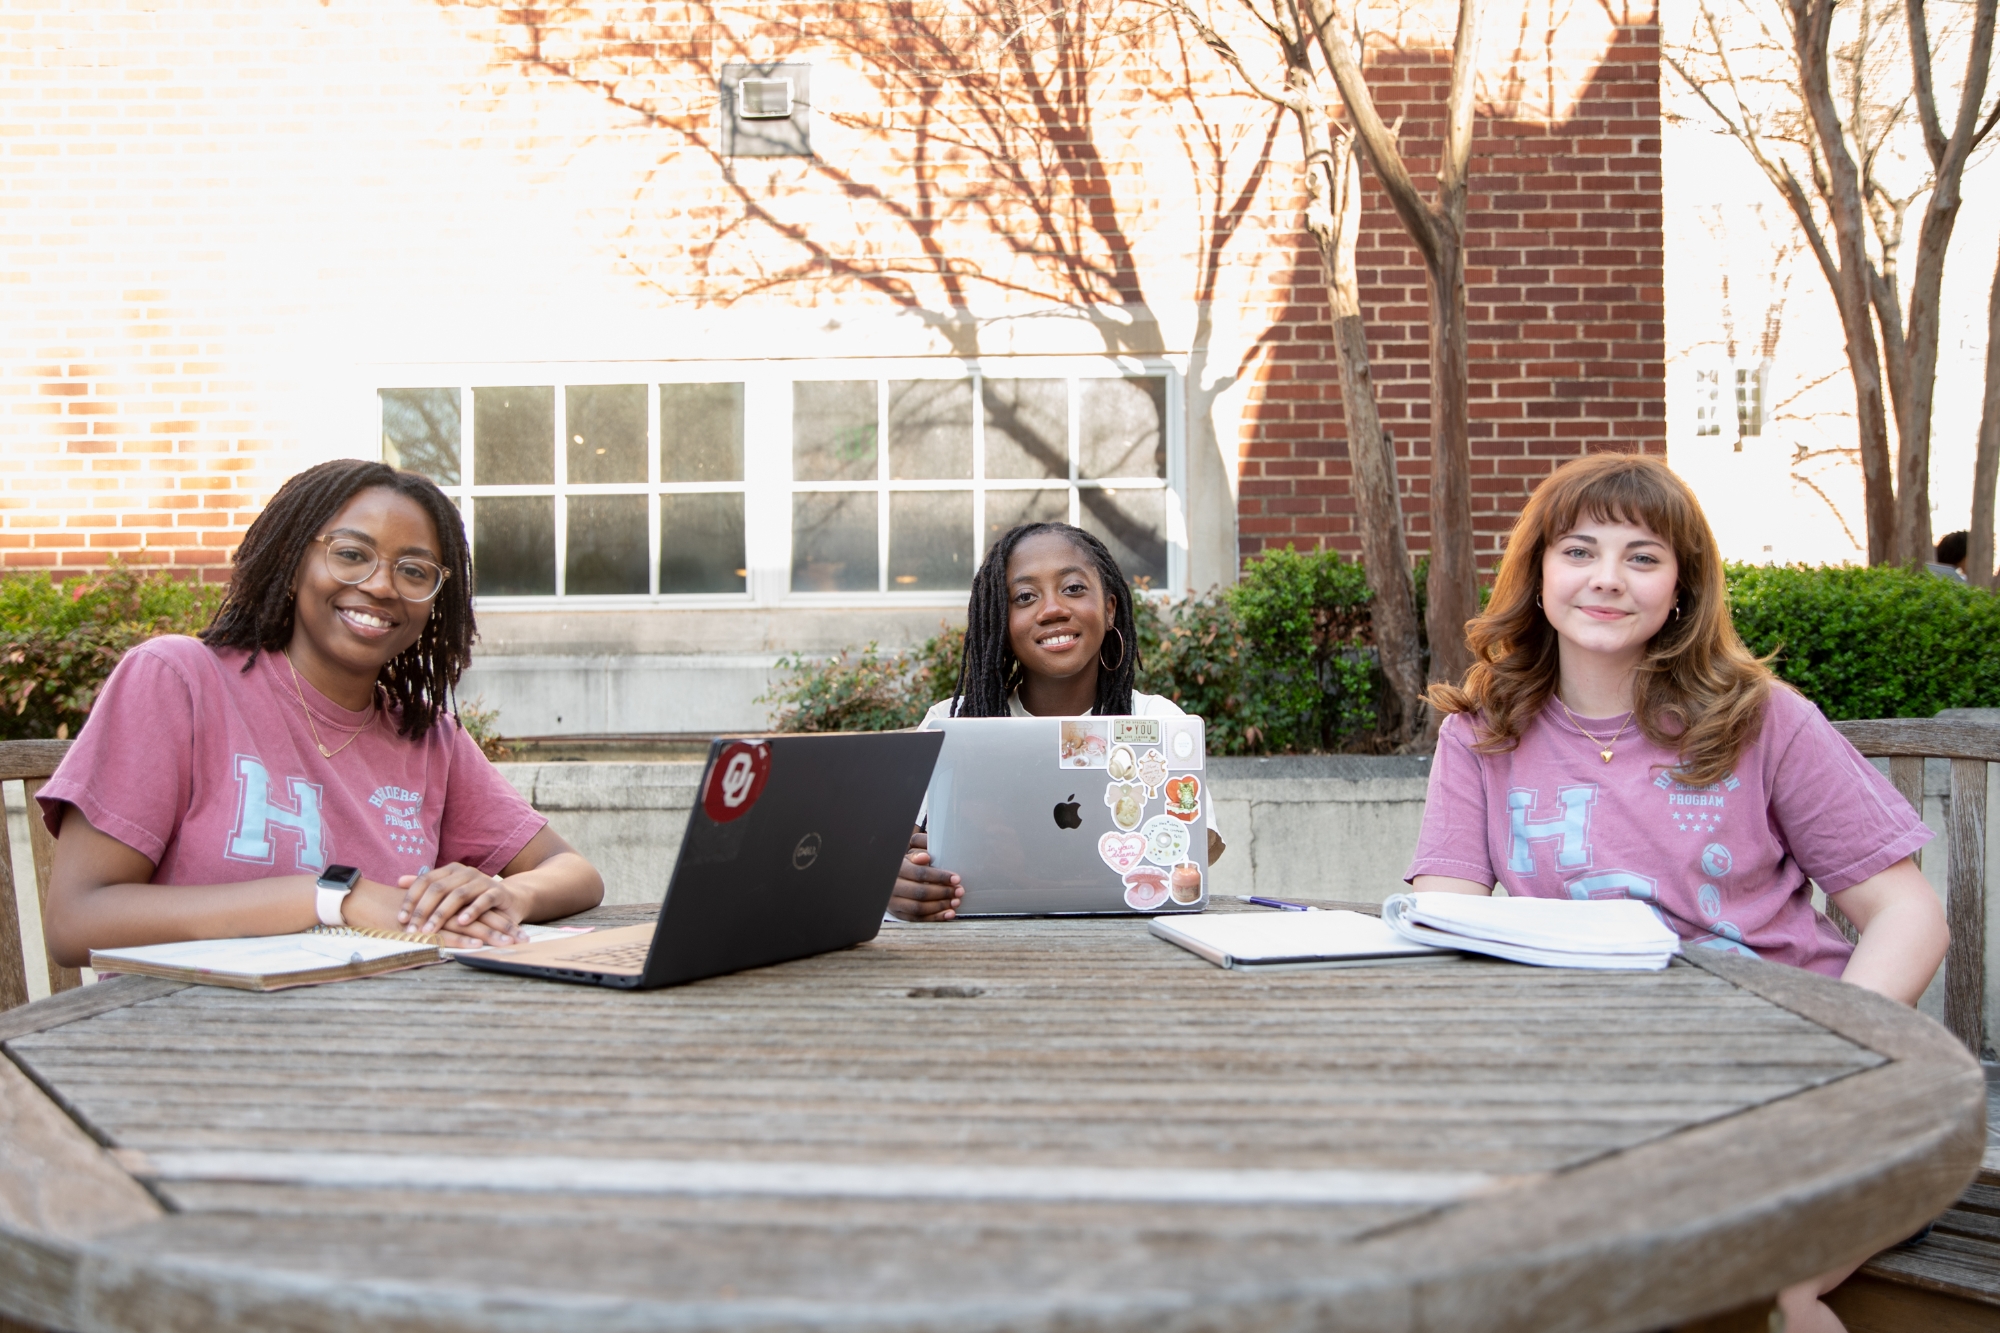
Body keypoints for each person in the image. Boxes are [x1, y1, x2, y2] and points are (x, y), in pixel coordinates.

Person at [1405, 452, 1947, 1333]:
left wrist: (1837, 1058)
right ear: (1537, 574)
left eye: (1643, 557)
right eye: (1579, 551)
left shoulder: (1762, 717)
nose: (1607, 580)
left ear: (1683, 590)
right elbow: (1447, 916)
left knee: (1758, 1284)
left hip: (1798, 1082)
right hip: (1603, 1090)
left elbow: (1909, 913)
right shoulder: (1482, 734)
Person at [39, 459, 604, 965]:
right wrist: (335, 898)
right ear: (292, 563)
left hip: (380, 1035)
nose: (382, 586)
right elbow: (76, 922)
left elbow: (575, 873)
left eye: (414, 571)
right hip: (191, 1039)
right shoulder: (180, 679)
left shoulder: (428, 736)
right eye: (351, 555)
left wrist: (507, 892)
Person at [890, 521, 1223, 921]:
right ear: (999, 620)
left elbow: (1197, 848)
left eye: (1074, 588)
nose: (1052, 610)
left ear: (1110, 608)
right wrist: (897, 882)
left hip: (1129, 947)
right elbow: (896, 855)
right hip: (978, 949)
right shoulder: (951, 724)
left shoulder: (1157, 721)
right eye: (1025, 596)